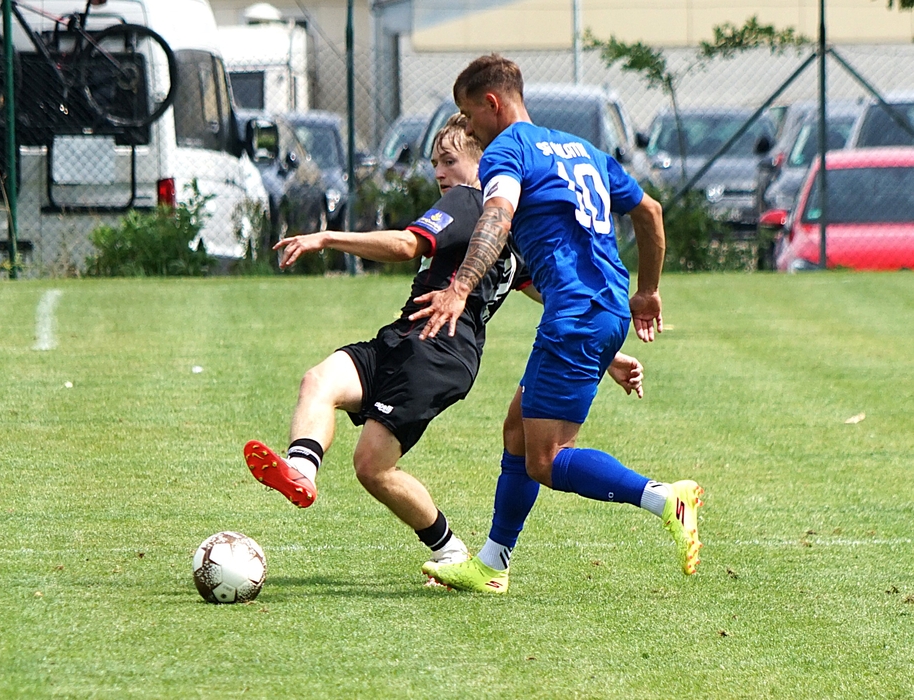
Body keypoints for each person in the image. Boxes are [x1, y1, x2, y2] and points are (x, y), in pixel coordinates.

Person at [243, 114, 646, 571]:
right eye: (434, 162)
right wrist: (607, 356)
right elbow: (545, 293)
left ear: (483, 163)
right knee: (330, 401)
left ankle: (447, 546)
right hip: (409, 338)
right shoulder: (514, 230)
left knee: (373, 461)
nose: (439, 172)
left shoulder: (469, 199)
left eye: (449, 160)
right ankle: (304, 472)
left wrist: (328, 237)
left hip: (434, 350)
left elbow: (405, 245)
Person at [414, 55, 703, 594]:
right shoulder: (582, 149)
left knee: (546, 461)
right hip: (603, 306)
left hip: (574, 313)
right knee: (517, 429)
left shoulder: (507, 150)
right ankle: (492, 564)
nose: (468, 128)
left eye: (469, 115)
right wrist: (647, 291)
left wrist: (459, 287)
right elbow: (650, 212)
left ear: (492, 103)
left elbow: (497, 216)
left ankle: (665, 497)